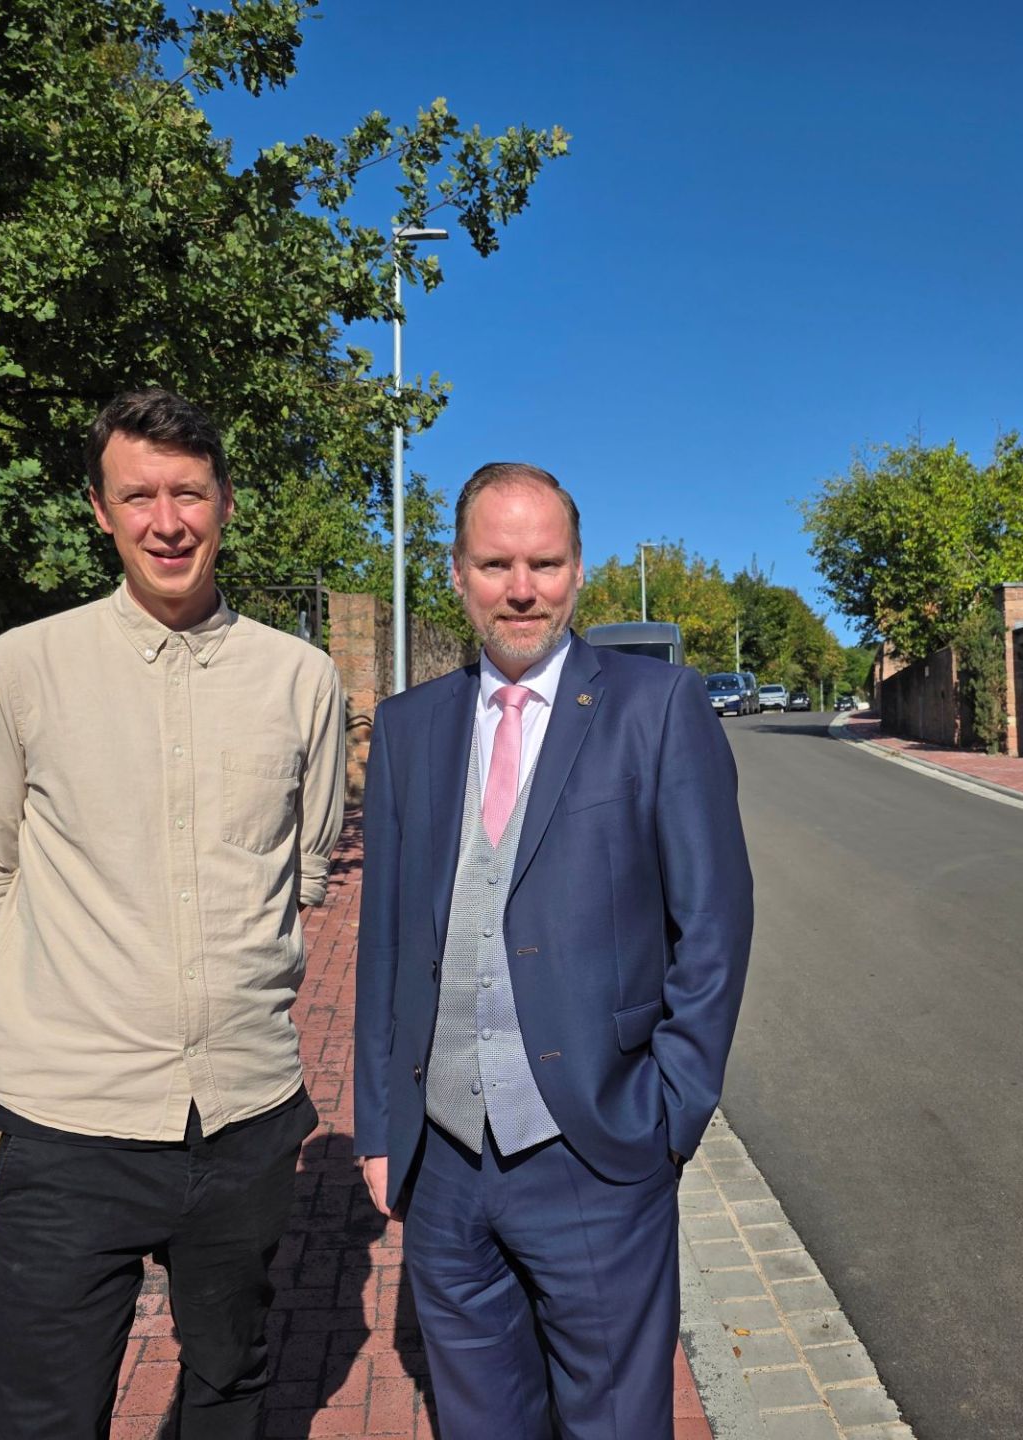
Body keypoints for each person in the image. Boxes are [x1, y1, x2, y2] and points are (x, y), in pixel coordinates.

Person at [0, 388, 344, 1438]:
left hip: (244, 1120)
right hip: (72, 1128)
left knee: (229, 1386)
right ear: (99, 510)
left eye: (189, 494)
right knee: (43, 1412)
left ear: (227, 504)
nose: (168, 521)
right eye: (140, 495)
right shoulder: (16, 672)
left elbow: (302, 874)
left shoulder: (302, 681)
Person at [353, 462, 753, 1438]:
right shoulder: (410, 730)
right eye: (496, 563)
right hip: (443, 1165)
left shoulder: (658, 708)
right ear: (456, 573)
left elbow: (714, 927)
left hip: (599, 1153)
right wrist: (377, 1125)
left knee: (614, 1423)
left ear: (579, 571)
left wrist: (670, 1112)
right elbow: (387, 940)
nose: (520, 587)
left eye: (544, 562)